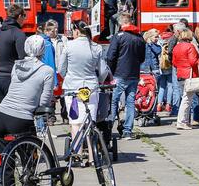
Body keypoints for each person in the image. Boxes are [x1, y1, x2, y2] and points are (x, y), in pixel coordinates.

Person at [0, 36, 54, 155]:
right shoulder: (47, 71)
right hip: (22, 118)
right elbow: (44, 101)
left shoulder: (16, 66)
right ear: (43, 50)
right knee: (29, 159)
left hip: (1, 113)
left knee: (4, 157)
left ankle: (3, 173)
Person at [60, 21, 110, 158]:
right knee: (90, 122)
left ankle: (78, 152)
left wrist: (68, 77)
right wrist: (98, 81)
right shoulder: (96, 47)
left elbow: (61, 68)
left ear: (76, 31)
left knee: (75, 121)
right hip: (91, 88)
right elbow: (104, 70)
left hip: (73, 88)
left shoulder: (68, 46)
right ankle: (92, 157)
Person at [106, 14, 146, 140]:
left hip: (119, 73)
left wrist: (110, 73)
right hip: (134, 74)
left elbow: (110, 56)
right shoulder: (139, 37)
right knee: (130, 102)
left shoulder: (118, 37)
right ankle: (128, 130)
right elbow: (142, 58)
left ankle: (108, 128)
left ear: (120, 24)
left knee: (114, 101)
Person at [0, 3, 27, 105]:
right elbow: (22, 58)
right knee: (13, 108)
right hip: (12, 77)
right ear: (19, 16)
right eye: (24, 16)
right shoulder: (18, 33)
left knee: (0, 106)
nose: (24, 20)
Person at [172, 29, 199, 130]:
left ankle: (184, 121)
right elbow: (193, 62)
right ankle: (181, 122)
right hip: (189, 75)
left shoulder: (176, 47)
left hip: (180, 74)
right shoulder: (190, 46)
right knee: (187, 99)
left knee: (185, 98)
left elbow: (174, 63)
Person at [44, 19, 68, 122]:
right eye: (54, 29)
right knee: (51, 93)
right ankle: (51, 116)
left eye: (57, 28)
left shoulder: (63, 39)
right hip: (50, 70)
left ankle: (65, 114)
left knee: (63, 94)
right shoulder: (46, 41)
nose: (56, 30)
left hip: (61, 70)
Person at [168, 22, 186, 115]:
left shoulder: (174, 39)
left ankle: (176, 109)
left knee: (176, 87)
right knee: (184, 88)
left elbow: (170, 51)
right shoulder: (189, 38)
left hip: (176, 66)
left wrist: (172, 62)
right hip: (185, 66)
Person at [157, 29, 174, 112]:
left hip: (161, 67)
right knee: (170, 86)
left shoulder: (159, 42)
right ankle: (168, 104)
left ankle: (159, 104)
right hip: (170, 66)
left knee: (162, 86)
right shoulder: (172, 40)